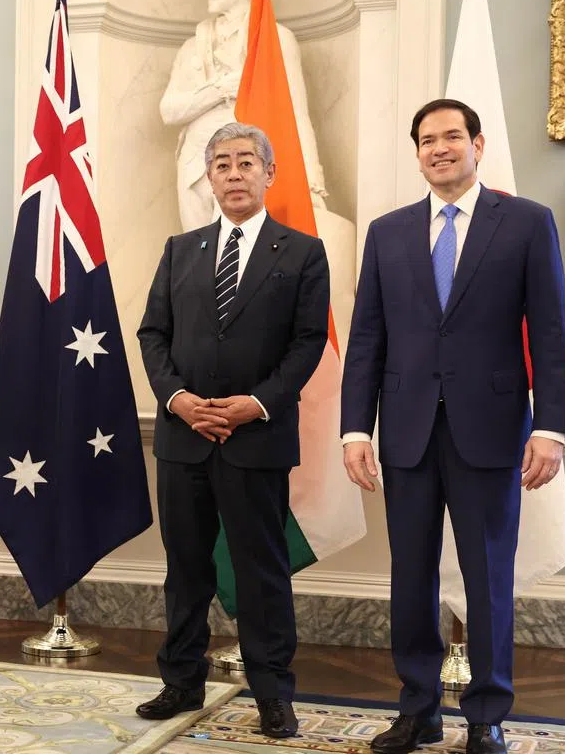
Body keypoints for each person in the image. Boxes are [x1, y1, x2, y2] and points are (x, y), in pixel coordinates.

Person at [340, 99, 565, 754]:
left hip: (492, 430)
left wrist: (550, 427)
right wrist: (355, 430)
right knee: (408, 574)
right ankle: (417, 709)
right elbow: (366, 341)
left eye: (450, 137)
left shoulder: (526, 223)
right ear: (416, 153)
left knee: (489, 575)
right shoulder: (387, 233)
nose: (438, 149)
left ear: (477, 143)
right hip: (406, 432)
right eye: (426, 140)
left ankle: (486, 715)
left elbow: (551, 334)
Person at [136, 122, 330, 739]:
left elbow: (307, 344)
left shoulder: (302, 252)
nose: (234, 173)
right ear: (209, 178)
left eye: (247, 162)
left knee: (260, 570)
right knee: (185, 566)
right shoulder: (179, 250)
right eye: (222, 164)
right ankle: (181, 682)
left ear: (268, 173)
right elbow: (153, 336)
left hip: (256, 438)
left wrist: (256, 404)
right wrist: (178, 399)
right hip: (183, 437)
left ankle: (272, 693)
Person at [161, 0, 328, 231]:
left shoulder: (276, 39)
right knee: (197, 254)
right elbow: (169, 111)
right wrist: (220, 90)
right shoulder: (191, 47)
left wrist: (312, 183)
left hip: (247, 163)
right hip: (193, 165)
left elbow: (297, 114)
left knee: (241, 252)